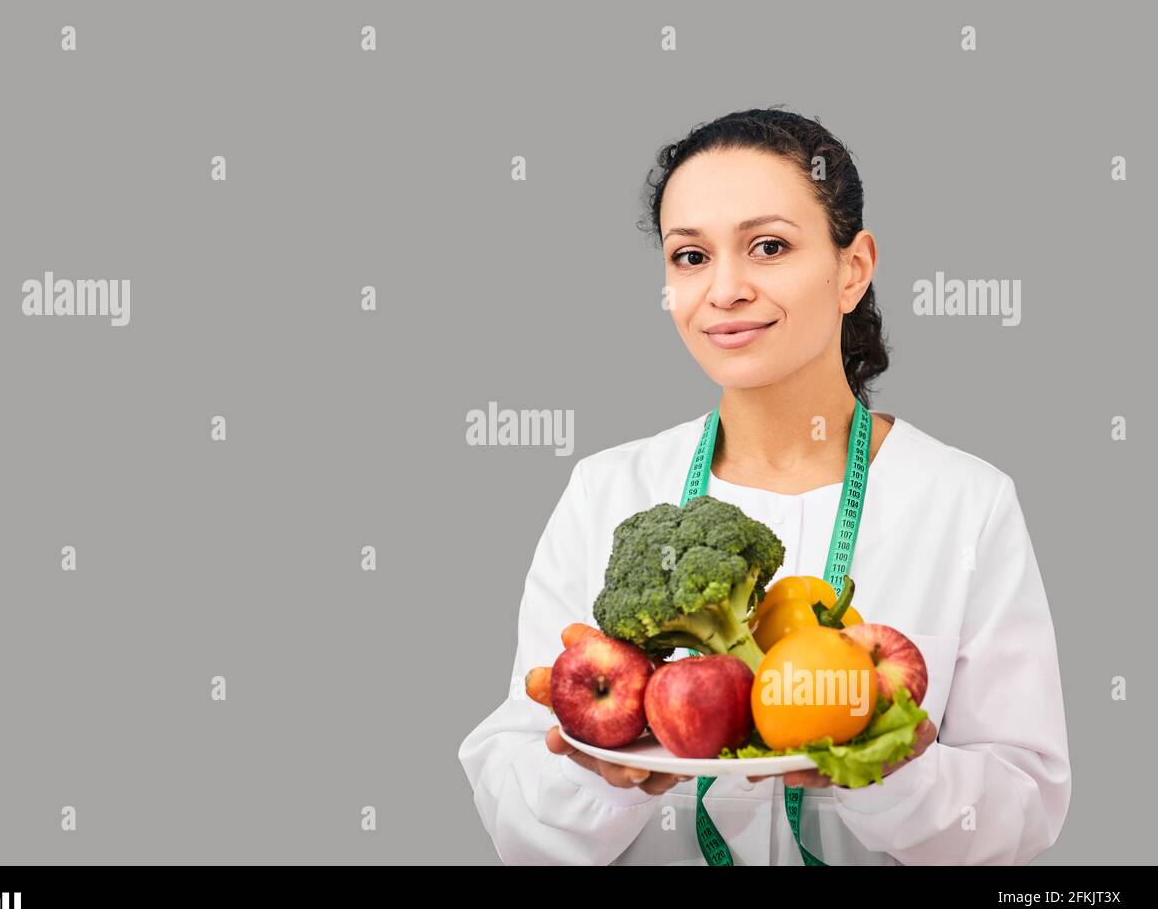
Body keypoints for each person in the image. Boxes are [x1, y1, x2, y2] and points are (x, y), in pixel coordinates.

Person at [457, 108, 1071, 865]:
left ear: (853, 268)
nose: (725, 289)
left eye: (768, 246)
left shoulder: (966, 502)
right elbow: (513, 803)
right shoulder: (605, 492)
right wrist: (607, 777)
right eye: (690, 256)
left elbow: (1027, 805)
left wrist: (891, 771)